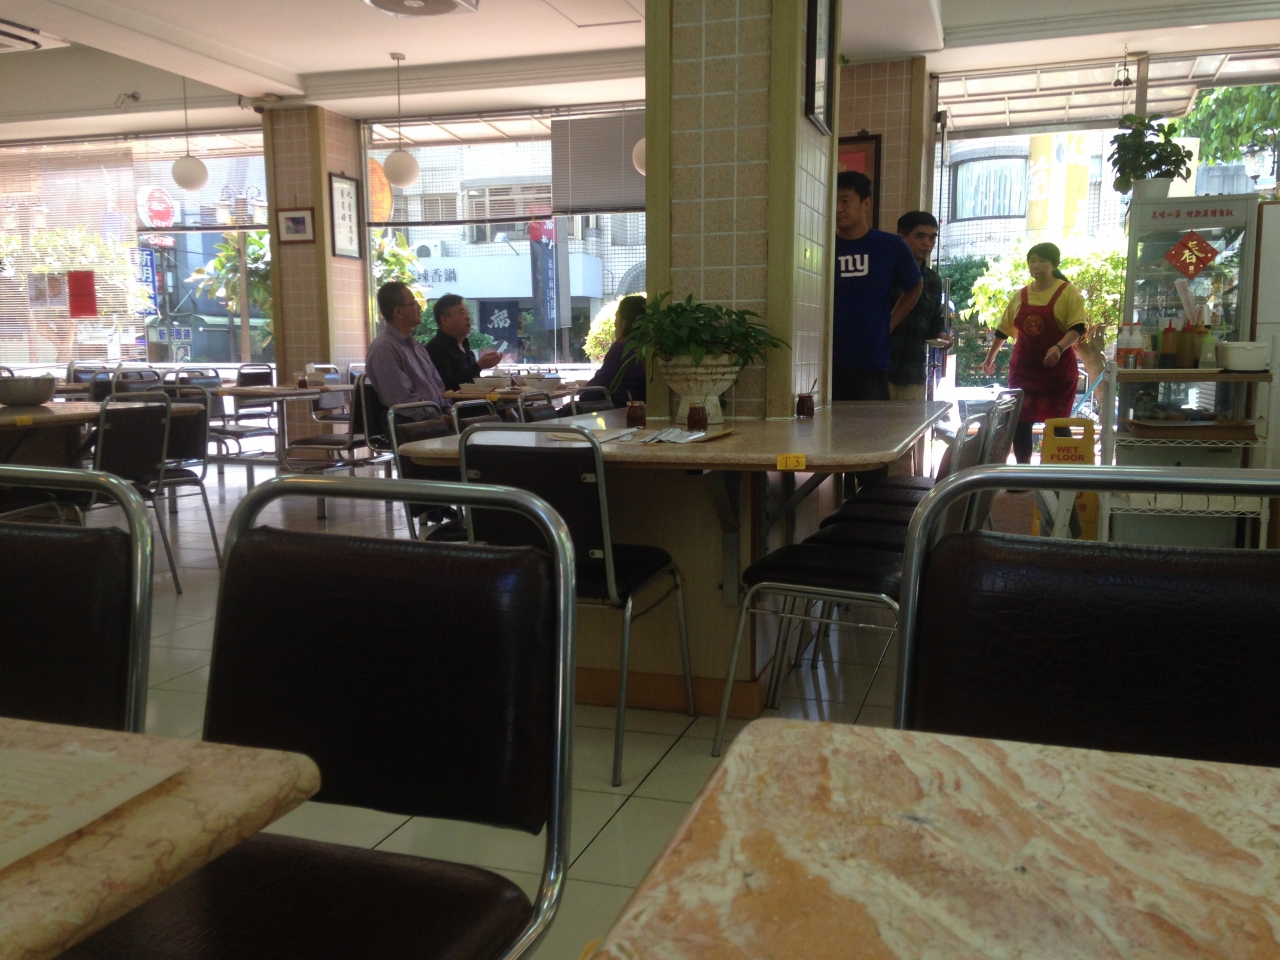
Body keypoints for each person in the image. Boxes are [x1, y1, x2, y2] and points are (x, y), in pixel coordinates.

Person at [981, 242, 1088, 463]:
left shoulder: (1068, 292)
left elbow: (1078, 327)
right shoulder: (1020, 295)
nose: (1036, 266)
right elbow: (1003, 329)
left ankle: (1060, 474)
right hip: (1024, 371)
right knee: (1020, 422)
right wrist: (990, 357)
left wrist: (1059, 347)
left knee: (1058, 424)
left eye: (1042, 261)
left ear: (1054, 265)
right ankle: (1023, 472)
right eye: (1032, 261)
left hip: (1057, 373)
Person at [832, 170, 924, 402]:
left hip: (871, 363)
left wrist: (889, 324)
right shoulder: (822, 246)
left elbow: (915, 285)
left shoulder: (889, 245)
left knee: (873, 424)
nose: (838, 208)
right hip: (824, 362)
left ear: (866, 203)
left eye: (845, 201)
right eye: (833, 200)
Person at [365, 281, 450, 420]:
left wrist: (448, 410)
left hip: (435, 417)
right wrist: (438, 417)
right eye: (413, 303)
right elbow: (402, 401)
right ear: (398, 312)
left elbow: (438, 385)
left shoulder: (416, 346)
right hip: (411, 423)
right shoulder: (384, 348)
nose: (419, 307)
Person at [888, 211, 950, 401]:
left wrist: (942, 336)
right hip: (881, 371)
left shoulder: (933, 280)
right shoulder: (885, 273)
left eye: (932, 237)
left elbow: (934, 322)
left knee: (913, 421)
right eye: (920, 236)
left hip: (914, 372)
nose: (927, 243)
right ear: (902, 238)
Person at [425, 294, 503, 392]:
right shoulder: (435, 348)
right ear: (444, 320)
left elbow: (472, 383)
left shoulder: (467, 350)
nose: (468, 317)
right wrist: (478, 366)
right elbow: (447, 385)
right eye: (461, 312)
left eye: (467, 312)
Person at [586, 295, 647, 408]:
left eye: (616, 316)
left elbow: (591, 391)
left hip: (620, 412)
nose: (614, 323)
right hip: (642, 410)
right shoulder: (652, 348)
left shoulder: (622, 349)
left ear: (624, 321)